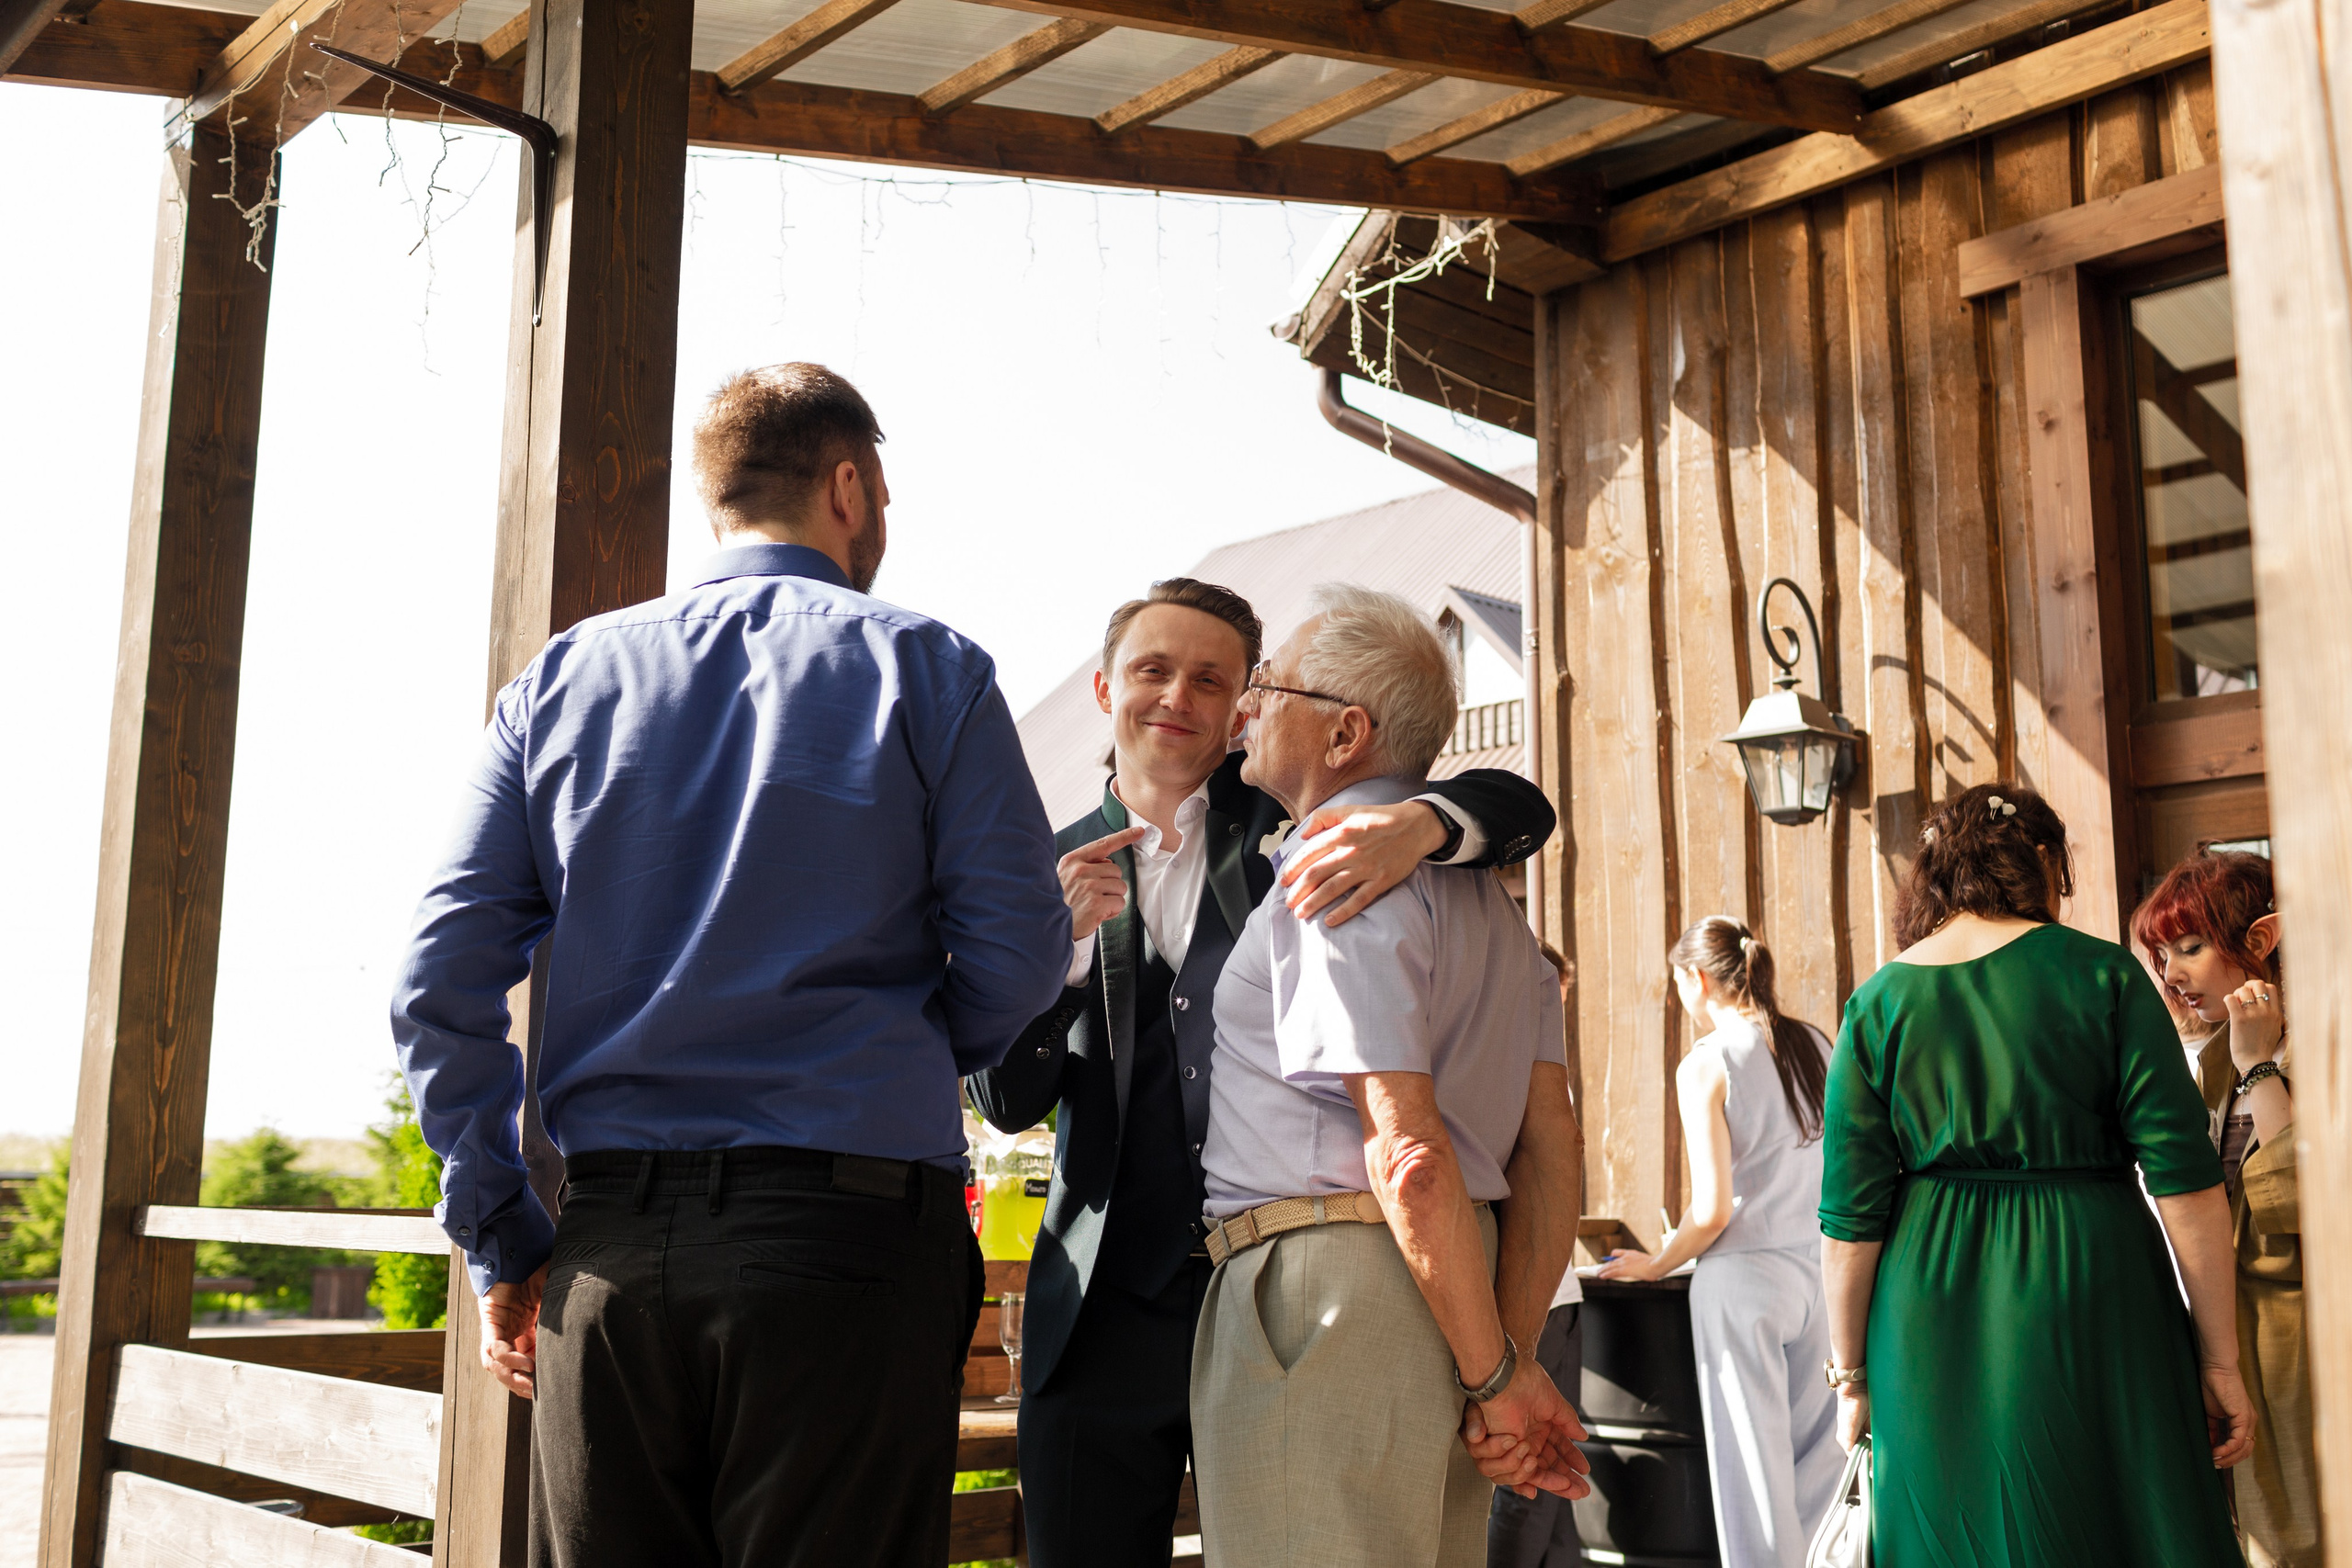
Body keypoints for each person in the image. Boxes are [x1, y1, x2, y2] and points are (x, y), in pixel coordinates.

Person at [389, 364, 1071, 1568]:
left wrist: (505, 1229)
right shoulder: (931, 668)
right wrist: (904, 1054)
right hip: (848, 1250)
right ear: (848, 486)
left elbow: (437, 983)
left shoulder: (558, 682)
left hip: (608, 1255)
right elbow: (1019, 957)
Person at [967, 577, 1556, 1567]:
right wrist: (1052, 957)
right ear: (1105, 689)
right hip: (1107, 1310)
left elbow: (1518, 804)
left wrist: (1421, 823)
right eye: (1152, 671)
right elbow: (1003, 1097)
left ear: (1246, 703)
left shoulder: (1311, 828)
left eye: (1215, 679)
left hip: (1276, 1297)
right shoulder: (1031, 865)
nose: (1180, 699)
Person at [1189, 584, 1589, 1567]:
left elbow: (1407, 1154)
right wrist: (1503, 1358)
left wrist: (1497, 1376)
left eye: (1268, 684)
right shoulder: (1501, 915)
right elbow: (1552, 1155)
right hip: (1460, 1291)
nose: (1244, 705)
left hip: (1327, 1296)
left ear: (1344, 735)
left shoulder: (1337, 876)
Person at [1818, 783, 2253, 1567]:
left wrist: (1851, 1372)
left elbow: (1851, 1226)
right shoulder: (2105, 976)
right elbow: (2187, 1185)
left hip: (1926, 1306)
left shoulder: (1877, 1004)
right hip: (2092, 1280)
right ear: (2043, 861)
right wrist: (2219, 1359)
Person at [1595, 917, 1840, 1568]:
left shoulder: (1707, 1062)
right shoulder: (1817, 1043)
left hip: (1744, 1285)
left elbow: (1709, 1210)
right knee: (1823, 1464)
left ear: (1695, 979)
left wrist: (1658, 1262)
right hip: (1819, 1271)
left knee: (1753, 1479)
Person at [2135, 848, 2312, 1568]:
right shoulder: (2214, 1057)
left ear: (2261, 940)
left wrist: (2260, 1062)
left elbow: (2304, 1196)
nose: (2171, 972)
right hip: (2239, 1345)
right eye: (2161, 954)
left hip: (2304, 1344)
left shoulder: (2305, 1044)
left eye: (2190, 946)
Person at [1487, 941, 1587, 1568]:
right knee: (1523, 1487)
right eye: (1555, 996)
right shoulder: (1497, 1064)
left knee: (1551, 1492)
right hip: (1521, 1299)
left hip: (1562, 1290)